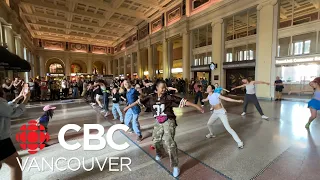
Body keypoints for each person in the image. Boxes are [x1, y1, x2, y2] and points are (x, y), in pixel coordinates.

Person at [124, 80, 204, 178]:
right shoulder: (150, 97)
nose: (164, 89)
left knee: (169, 141)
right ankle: (160, 153)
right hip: (158, 121)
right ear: (157, 88)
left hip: (169, 120)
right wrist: (128, 107)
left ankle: (175, 166)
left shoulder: (168, 97)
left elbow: (184, 101)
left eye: (165, 87)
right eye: (163, 87)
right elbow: (138, 101)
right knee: (156, 139)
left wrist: (197, 106)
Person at [0, 86, 30, 180]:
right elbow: (13, 113)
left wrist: (17, 98)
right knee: (16, 164)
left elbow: (5, 108)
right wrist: (25, 100)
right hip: (2, 140)